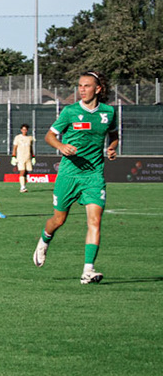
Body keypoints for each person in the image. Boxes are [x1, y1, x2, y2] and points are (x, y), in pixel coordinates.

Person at [35, 71, 118, 284]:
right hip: (68, 175)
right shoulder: (70, 111)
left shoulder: (109, 112)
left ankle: (87, 271)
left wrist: (112, 148)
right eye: (80, 85)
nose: (81, 89)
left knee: (95, 221)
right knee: (59, 220)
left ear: (98, 89)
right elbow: (49, 136)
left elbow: (114, 135)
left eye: (87, 86)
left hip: (94, 175)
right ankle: (44, 241)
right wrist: (61, 146)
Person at [11, 122, 36, 193]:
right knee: (22, 171)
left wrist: (33, 157)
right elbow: (15, 147)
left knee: (26, 172)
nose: (24, 131)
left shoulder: (30, 138)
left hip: (28, 157)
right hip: (20, 157)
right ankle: (22, 187)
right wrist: (13, 156)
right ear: (21, 130)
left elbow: (31, 148)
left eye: (26, 129)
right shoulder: (18, 137)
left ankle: (24, 186)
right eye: (23, 129)